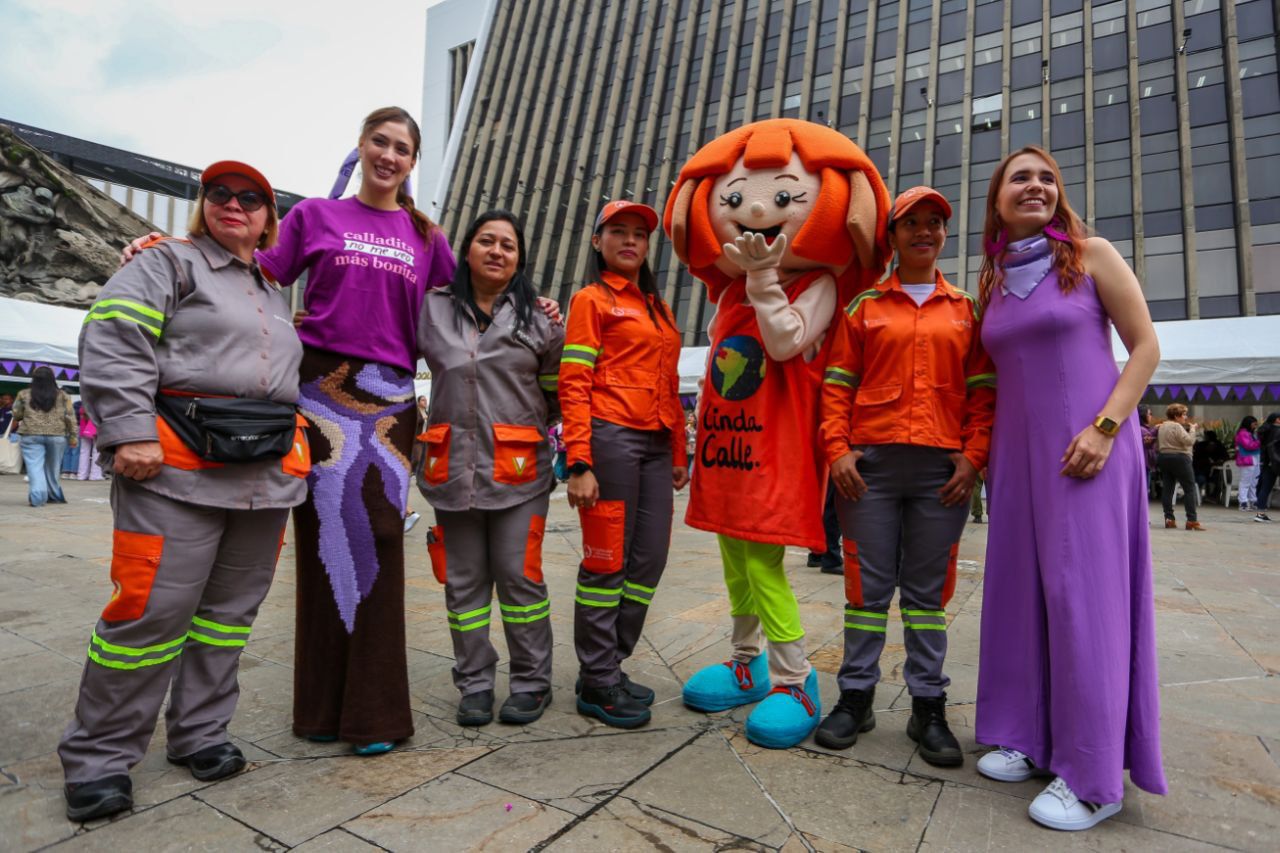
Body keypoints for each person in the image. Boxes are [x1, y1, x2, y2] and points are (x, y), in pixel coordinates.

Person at [58, 160, 308, 821]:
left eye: (251, 197)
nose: (235, 204)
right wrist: (129, 430)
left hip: (262, 479)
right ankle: (100, 760)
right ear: (203, 204)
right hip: (171, 472)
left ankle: (199, 732)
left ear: (267, 217)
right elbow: (113, 336)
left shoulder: (272, 287)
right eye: (220, 193)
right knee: (147, 617)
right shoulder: (167, 261)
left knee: (226, 619)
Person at [973, 146, 1166, 831]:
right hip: (1019, 463)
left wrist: (1107, 427)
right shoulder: (992, 281)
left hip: (1090, 451)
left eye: (1047, 177)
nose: (1037, 185)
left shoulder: (1093, 255)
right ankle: (1027, 735)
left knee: (1085, 601)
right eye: (1020, 177)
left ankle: (1093, 778)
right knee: (1023, 593)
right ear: (997, 200)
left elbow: (1146, 347)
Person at [815, 187, 995, 766]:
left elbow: (983, 394)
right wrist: (837, 449)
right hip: (868, 471)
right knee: (866, 593)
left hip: (942, 474)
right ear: (891, 237)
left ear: (945, 235)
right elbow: (836, 385)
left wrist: (974, 458)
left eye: (935, 223)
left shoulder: (967, 309)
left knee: (926, 596)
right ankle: (856, 697)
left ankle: (927, 707)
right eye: (910, 223)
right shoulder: (864, 306)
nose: (924, 231)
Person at [415, 210, 564, 727]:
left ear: (519, 260)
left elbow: (556, 391)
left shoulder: (541, 319)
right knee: (463, 585)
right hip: (450, 470)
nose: (497, 251)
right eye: (486, 241)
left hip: (520, 474)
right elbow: (380, 347)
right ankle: (474, 683)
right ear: (468, 250)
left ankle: (531, 682)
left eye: (508, 245)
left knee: (520, 580)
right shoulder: (430, 309)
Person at [560, 200, 688, 729]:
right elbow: (574, 382)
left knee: (648, 562)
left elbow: (670, 384)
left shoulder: (659, 308)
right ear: (598, 241)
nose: (630, 240)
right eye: (619, 232)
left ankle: (607, 663)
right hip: (610, 440)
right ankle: (597, 678)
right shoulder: (591, 300)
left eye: (639, 233)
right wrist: (579, 460)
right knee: (606, 563)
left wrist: (679, 452)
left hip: (657, 443)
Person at [11, 366, 77, 506]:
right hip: (57, 435)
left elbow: (16, 414)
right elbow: (70, 417)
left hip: (31, 435)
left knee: (35, 467)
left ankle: (38, 497)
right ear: (53, 378)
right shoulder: (64, 396)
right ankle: (54, 495)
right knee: (53, 467)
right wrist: (73, 436)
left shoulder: (23, 394)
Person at [1156, 403, 1204, 530]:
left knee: (1168, 489)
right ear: (1176, 416)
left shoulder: (1162, 426)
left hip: (1164, 458)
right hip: (1180, 458)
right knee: (1189, 489)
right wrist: (1193, 429)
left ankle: (1169, 519)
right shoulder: (1177, 426)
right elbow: (1189, 441)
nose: (1186, 417)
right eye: (1183, 414)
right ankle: (1191, 520)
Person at [1192, 428, 1229, 503]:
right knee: (1205, 478)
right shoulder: (1201, 447)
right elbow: (1196, 461)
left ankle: (1212, 496)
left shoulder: (1219, 446)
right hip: (1202, 471)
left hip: (1214, 471)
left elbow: (1225, 458)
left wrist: (1217, 462)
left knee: (1219, 478)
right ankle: (1209, 496)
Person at [1255, 412, 1280, 522]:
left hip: (1266, 462)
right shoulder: (1277, 430)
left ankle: (1260, 513)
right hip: (1275, 463)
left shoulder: (1265, 430)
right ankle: (1260, 514)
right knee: (1265, 487)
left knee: (1265, 487)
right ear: (1277, 420)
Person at [1234, 416, 1260, 511]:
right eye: (1254, 424)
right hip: (1247, 460)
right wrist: (1260, 441)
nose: (1256, 426)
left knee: (1253, 482)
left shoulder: (1249, 433)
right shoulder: (1243, 433)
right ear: (1248, 423)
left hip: (1253, 459)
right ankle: (1243, 502)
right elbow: (1248, 446)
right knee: (1245, 482)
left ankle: (1253, 500)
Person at [77, 404, 104, 480]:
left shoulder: (85, 400)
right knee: (97, 451)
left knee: (84, 452)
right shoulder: (100, 400)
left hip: (84, 426)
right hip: (97, 427)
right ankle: (95, 475)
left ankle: (81, 475)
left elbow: (81, 411)